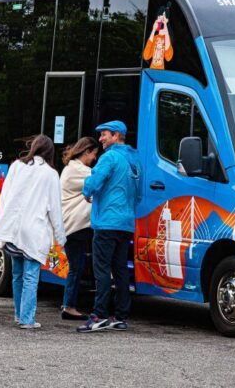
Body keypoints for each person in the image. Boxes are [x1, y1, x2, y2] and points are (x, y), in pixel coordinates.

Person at [0, 135, 67, 329]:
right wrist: (61, 237)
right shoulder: (51, 174)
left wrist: (0, 224)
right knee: (31, 276)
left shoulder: (17, 166)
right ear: (50, 152)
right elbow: (54, 209)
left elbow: (5, 197)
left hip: (13, 229)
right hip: (34, 231)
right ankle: (27, 319)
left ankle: (19, 315)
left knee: (17, 274)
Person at [77, 121, 141, 333]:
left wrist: (87, 192)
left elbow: (94, 180)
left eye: (104, 135)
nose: (101, 139)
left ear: (116, 136)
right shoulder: (134, 160)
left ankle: (98, 315)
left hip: (106, 222)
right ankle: (120, 316)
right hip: (126, 223)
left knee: (102, 269)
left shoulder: (110, 157)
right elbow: (139, 194)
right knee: (121, 270)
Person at [59, 137, 99, 320]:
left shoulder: (72, 168)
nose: (95, 159)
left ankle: (70, 304)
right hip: (75, 226)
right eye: (94, 154)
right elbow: (98, 179)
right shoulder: (78, 170)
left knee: (78, 266)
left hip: (73, 226)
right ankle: (69, 306)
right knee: (76, 267)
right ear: (86, 152)